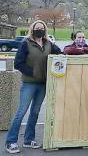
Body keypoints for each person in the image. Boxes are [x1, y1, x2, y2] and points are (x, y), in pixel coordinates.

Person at [5, 20, 62, 154]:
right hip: (29, 83)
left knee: (35, 112)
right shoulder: (26, 44)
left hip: (42, 84)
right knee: (21, 112)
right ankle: (11, 141)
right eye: (37, 28)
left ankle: (28, 139)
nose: (39, 30)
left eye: (42, 28)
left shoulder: (48, 44)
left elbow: (61, 54)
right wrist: (33, 72)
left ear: (45, 30)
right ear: (32, 29)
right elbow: (18, 63)